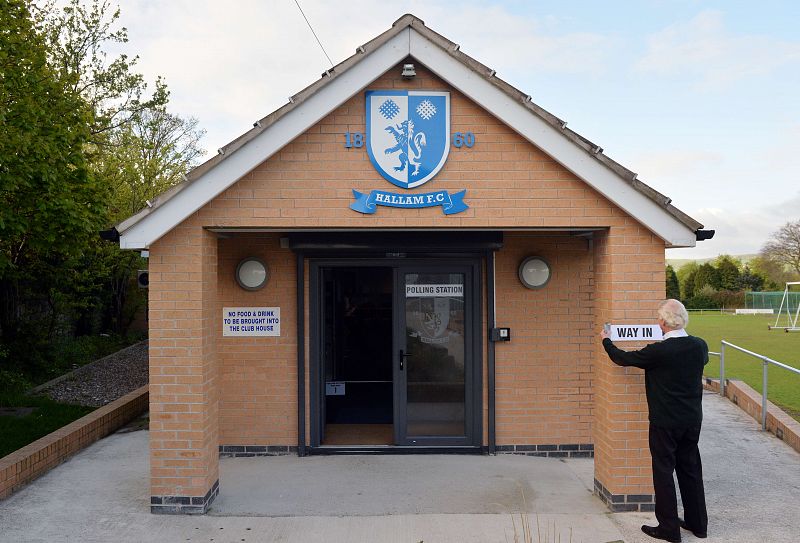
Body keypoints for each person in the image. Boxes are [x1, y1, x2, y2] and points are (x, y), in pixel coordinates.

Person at [600, 299, 709, 543]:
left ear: (662, 322)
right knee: (690, 469)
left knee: (663, 472)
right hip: (692, 420)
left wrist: (606, 340)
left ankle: (669, 528)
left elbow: (622, 358)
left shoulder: (659, 351)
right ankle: (698, 524)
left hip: (665, 422)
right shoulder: (700, 346)